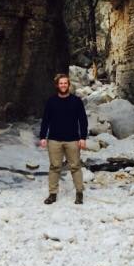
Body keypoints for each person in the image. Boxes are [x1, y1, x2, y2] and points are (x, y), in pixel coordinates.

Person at [39, 73, 88, 205]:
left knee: (75, 166)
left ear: (69, 85)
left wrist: (83, 137)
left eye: (65, 83)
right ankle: (52, 194)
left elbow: (83, 120)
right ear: (57, 85)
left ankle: (79, 193)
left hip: (73, 140)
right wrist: (43, 136)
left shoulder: (76, 101)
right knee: (55, 167)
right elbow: (45, 120)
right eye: (61, 83)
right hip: (54, 140)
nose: (63, 85)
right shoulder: (51, 101)